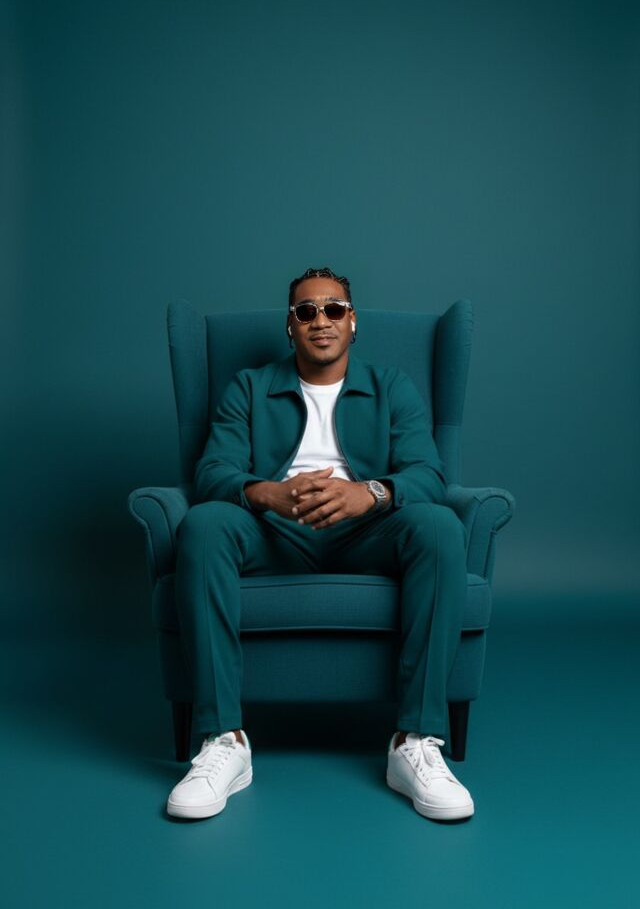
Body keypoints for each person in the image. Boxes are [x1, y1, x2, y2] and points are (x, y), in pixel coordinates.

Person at [166, 267, 474, 822]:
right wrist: (268, 494)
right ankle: (223, 741)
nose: (321, 320)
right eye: (306, 312)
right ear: (290, 327)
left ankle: (415, 742)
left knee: (439, 527)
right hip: (274, 531)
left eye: (334, 309)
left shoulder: (391, 386)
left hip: (366, 532)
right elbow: (212, 472)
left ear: (353, 322)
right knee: (204, 525)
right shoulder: (250, 387)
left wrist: (370, 494)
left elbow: (428, 474)